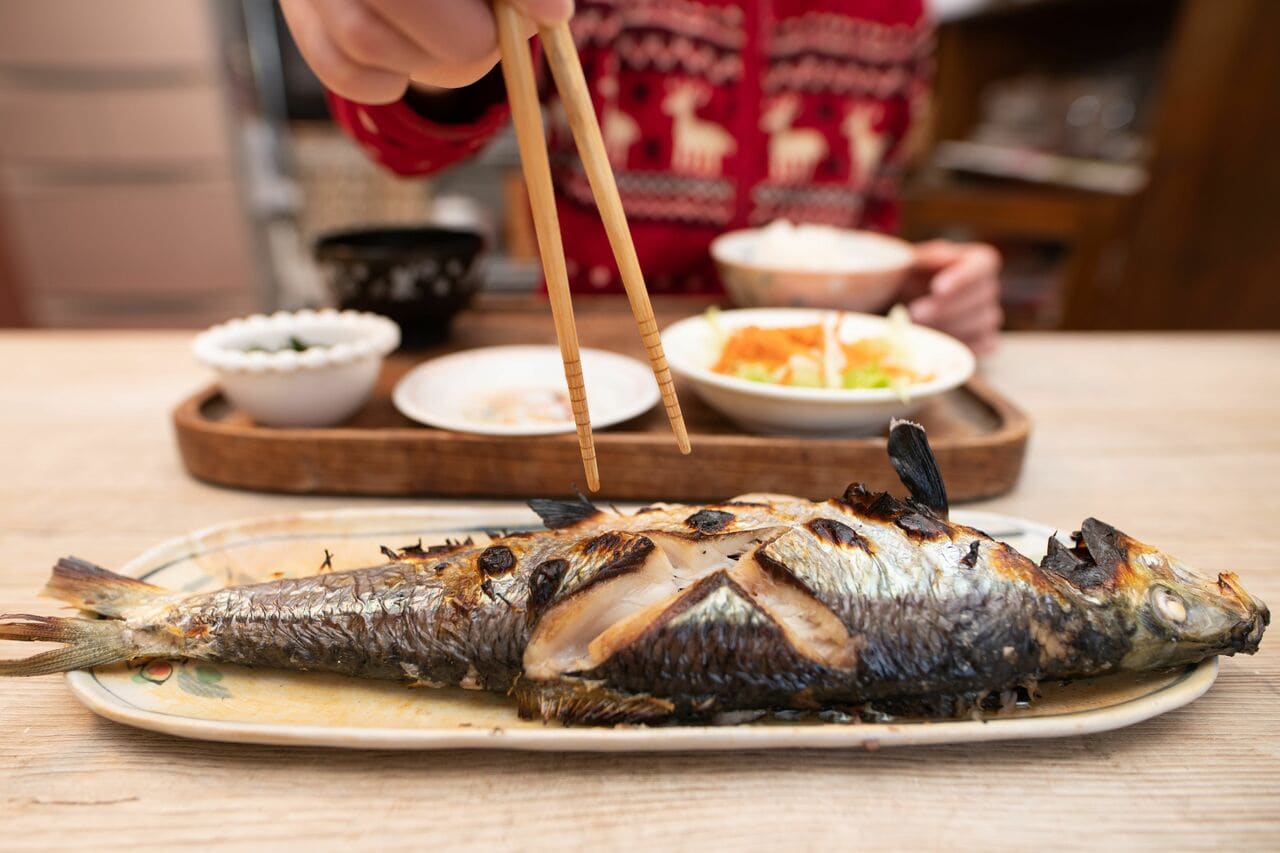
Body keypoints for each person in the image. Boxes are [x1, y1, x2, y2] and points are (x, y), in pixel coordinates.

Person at [281, 0, 1002, 352]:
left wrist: (913, 285)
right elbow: (412, 148)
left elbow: (871, 217)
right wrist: (427, 65)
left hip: (812, 373)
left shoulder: (903, 11)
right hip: (596, 366)